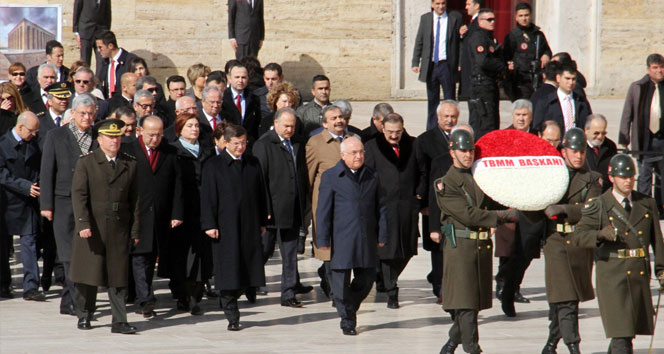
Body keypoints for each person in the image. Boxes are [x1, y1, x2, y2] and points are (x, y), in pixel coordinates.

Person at [435, 127, 518, 354]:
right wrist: (506, 216)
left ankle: (451, 344)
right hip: (461, 250)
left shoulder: (480, 177)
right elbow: (470, 215)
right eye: (463, 150)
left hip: (480, 249)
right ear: (452, 152)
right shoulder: (446, 184)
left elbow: (494, 201)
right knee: (467, 305)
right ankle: (472, 349)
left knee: (471, 304)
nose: (467, 154)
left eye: (470, 150)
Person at [574, 154, 664, 354]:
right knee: (621, 333)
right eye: (623, 177)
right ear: (611, 177)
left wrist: (661, 270)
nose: (628, 181)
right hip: (612, 276)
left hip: (638, 275)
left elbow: (657, 241)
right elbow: (579, 236)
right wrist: (599, 234)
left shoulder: (646, 203)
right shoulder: (600, 204)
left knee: (626, 332)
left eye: (631, 176)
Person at [69, 118, 139, 334]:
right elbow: (79, 195)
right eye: (110, 137)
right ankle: (84, 313)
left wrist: (135, 230)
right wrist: (83, 223)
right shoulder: (87, 162)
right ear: (99, 140)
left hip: (118, 227)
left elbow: (136, 199)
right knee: (89, 274)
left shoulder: (130, 163)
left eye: (117, 137)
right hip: (93, 226)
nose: (114, 141)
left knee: (118, 276)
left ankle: (119, 321)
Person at [316, 136, 387, 335]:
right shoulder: (331, 176)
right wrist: (322, 239)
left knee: (367, 279)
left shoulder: (372, 175)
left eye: (361, 152)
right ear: (342, 155)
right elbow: (323, 210)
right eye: (354, 153)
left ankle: (350, 305)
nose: (358, 156)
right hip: (341, 239)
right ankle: (347, 320)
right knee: (339, 284)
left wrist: (383, 233)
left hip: (365, 237)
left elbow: (381, 207)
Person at [539, 127, 601, 354]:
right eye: (574, 151)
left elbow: (592, 209)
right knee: (566, 298)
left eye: (582, 151)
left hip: (579, 242)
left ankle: (550, 345)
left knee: (565, 298)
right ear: (563, 151)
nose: (578, 155)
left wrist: (565, 209)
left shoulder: (591, 179)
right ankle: (573, 346)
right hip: (556, 241)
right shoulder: (552, 175)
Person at [200, 124, 267, 330]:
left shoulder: (253, 163)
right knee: (228, 268)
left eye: (244, 143)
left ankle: (234, 295)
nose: (241, 147)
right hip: (225, 224)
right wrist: (209, 223)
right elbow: (208, 196)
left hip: (249, 223)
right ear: (226, 143)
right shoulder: (214, 165)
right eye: (236, 143)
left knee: (248, 267)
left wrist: (263, 220)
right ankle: (232, 314)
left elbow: (260, 192)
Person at [40, 93, 97, 317]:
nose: (87, 117)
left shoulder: (98, 136)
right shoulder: (56, 136)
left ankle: (70, 300)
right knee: (67, 254)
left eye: (91, 113)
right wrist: (46, 204)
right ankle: (74, 300)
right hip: (63, 201)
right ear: (72, 114)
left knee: (84, 253)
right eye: (82, 113)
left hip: (90, 203)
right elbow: (47, 171)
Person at [120, 115, 183, 317]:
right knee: (140, 258)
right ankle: (145, 299)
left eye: (159, 135)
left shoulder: (170, 152)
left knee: (152, 257)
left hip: (161, 216)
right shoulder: (128, 151)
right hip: (137, 214)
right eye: (151, 135)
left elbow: (177, 186)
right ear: (140, 131)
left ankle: (145, 295)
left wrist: (176, 213)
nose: (155, 139)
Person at [364, 113, 424, 309]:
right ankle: (392, 290)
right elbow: (368, 176)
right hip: (384, 208)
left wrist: (419, 195)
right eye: (390, 132)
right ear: (382, 129)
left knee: (407, 249)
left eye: (398, 132)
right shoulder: (372, 147)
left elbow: (423, 172)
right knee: (388, 250)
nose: (394, 136)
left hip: (408, 207)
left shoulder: (413, 145)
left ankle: (384, 276)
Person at [252, 107, 311, 306]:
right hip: (271, 211)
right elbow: (260, 181)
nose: (289, 130)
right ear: (276, 123)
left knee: (290, 252)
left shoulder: (297, 142)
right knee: (266, 249)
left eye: (292, 126)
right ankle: (251, 281)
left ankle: (288, 292)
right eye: (286, 126)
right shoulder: (264, 144)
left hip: (293, 208)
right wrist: (264, 209)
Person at [305, 105, 358, 299]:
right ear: (324, 123)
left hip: (349, 207)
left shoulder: (353, 140)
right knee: (328, 250)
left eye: (341, 117)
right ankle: (336, 291)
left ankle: (342, 289)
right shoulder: (315, 143)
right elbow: (309, 178)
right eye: (333, 118)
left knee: (346, 249)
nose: (339, 121)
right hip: (326, 206)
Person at [170, 113, 214, 314]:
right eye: (189, 126)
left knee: (202, 253)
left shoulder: (207, 151)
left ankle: (197, 291)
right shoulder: (174, 151)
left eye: (196, 125)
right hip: (183, 210)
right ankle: (184, 294)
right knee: (184, 254)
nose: (194, 129)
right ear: (180, 129)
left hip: (204, 209)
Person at [416, 100, 459, 302]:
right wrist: (422, 202)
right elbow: (422, 173)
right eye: (446, 116)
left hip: (457, 204)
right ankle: (439, 286)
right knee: (437, 247)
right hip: (434, 203)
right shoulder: (425, 140)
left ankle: (443, 281)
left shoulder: (462, 138)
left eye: (453, 117)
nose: (450, 120)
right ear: (438, 117)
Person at [0, 112, 43, 301]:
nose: (34, 134)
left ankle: (31, 286)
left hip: (28, 203)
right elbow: (2, 174)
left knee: (29, 243)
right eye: (32, 131)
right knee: (3, 246)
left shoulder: (33, 143)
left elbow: (38, 168)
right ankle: (3, 284)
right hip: (7, 202)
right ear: (20, 127)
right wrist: (25, 186)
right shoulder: (3, 144)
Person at [619, 53, 664, 212]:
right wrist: (623, 138)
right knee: (644, 176)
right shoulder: (637, 87)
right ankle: (643, 209)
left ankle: (660, 208)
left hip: (661, 140)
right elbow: (627, 113)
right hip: (644, 140)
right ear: (648, 69)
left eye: (661, 67)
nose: (659, 71)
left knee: (661, 177)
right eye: (655, 68)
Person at [412, 0, 462, 130]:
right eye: (438, 3)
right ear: (432, 4)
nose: (440, 6)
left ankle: (451, 129)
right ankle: (432, 130)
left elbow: (460, 43)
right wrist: (415, 62)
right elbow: (420, 40)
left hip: (447, 65)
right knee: (432, 101)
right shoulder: (426, 19)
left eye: (443, 3)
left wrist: (460, 62)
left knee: (450, 100)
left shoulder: (454, 18)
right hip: (431, 65)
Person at [466, 8, 506, 139]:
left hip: (489, 85)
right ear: (480, 21)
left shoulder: (489, 37)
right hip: (481, 86)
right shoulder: (478, 37)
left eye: (494, 19)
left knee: (492, 122)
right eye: (489, 19)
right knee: (483, 124)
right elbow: (482, 61)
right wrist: (502, 66)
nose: (492, 22)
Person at [503, 2, 551, 101]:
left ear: (531, 16)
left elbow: (547, 50)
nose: (524, 18)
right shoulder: (512, 36)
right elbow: (506, 56)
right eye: (521, 16)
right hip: (521, 80)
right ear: (516, 17)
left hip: (537, 78)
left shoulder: (538, 35)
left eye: (526, 15)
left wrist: (546, 55)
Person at [533, 62, 593, 134]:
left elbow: (589, 123)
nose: (571, 82)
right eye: (567, 78)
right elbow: (537, 127)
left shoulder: (581, 101)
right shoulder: (545, 102)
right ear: (558, 78)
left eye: (573, 79)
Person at [221, 63, 262, 142]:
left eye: (243, 77)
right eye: (237, 77)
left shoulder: (254, 98)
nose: (240, 80)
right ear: (229, 78)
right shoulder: (222, 98)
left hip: (248, 144)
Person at [95, 30, 138, 98]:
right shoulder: (105, 62)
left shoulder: (130, 60)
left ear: (110, 46)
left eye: (100, 47)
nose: (98, 50)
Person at [73, 0, 111, 74]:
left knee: (101, 61)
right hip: (86, 31)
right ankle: (85, 80)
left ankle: (98, 83)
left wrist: (107, 31)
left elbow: (108, 13)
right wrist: (76, 31)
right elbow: (77, 10)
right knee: (85, 60)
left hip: (101, 32)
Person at [584, 114, 617, 192]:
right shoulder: (579, 147)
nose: (600, 137)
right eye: (596, 133)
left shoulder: (610, 146)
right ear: (586, 130)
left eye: (603, 133)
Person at [457, 0, 483, 101]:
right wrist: (462, 35)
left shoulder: (479, 22)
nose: (466, 7)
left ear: (476, 6)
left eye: (468, 4)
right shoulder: (472, 22)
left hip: (473, 72)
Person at [39, 82, 73, 148]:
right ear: (49, 101)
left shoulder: (72, 119)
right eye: (60, 98)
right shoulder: (40, 121)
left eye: (66, 98)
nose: (64, 101)